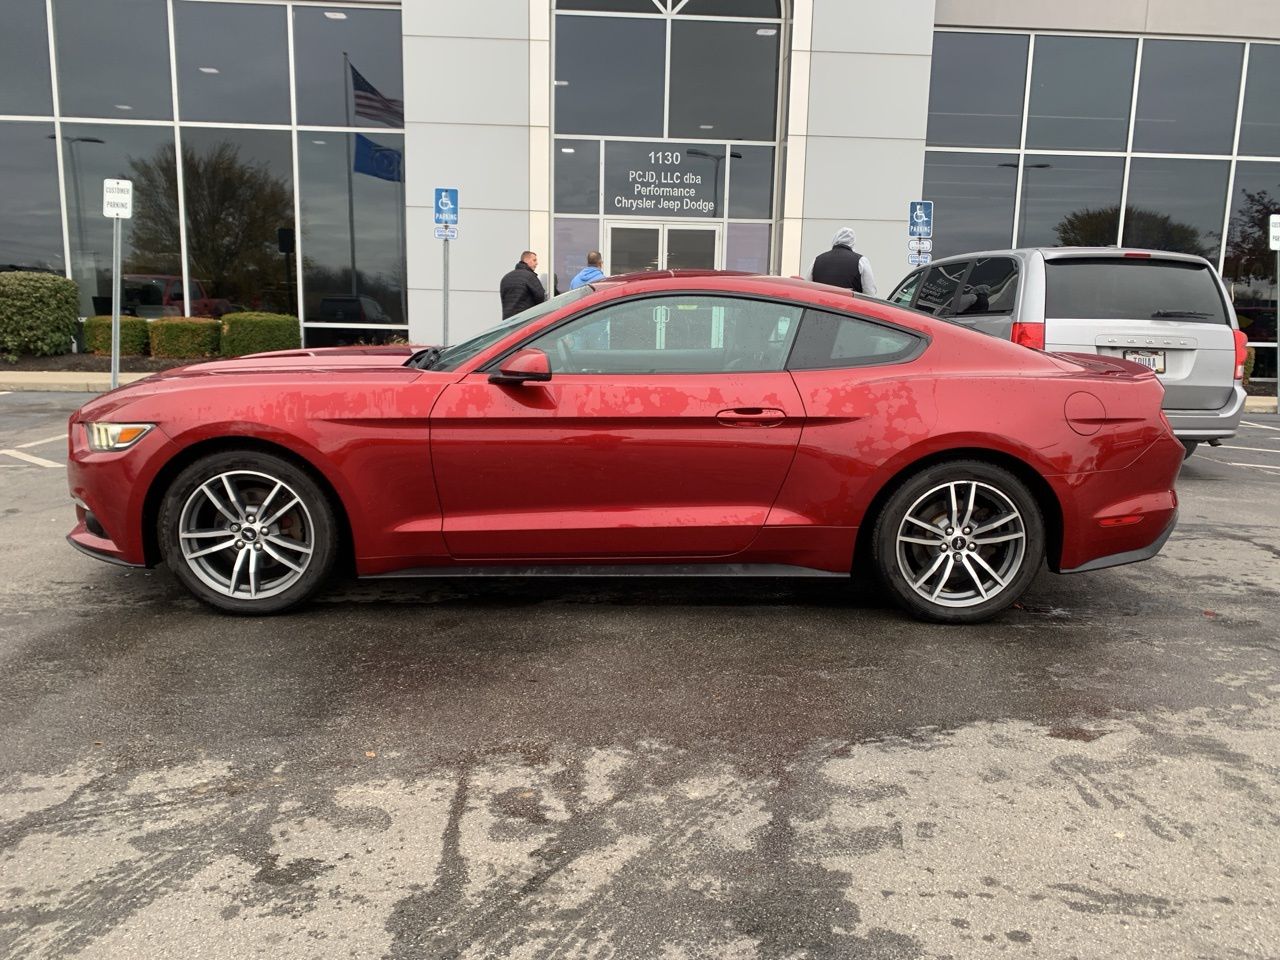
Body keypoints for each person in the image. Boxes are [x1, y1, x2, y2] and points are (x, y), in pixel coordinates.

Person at [806, 227, 876, 297]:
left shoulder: (817, 260)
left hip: (820, 305)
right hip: (848, 306)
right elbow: (870, 292)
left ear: (834, 239)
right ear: (853, 242)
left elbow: (807, 287)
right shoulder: (861, 261)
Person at [499, 250, 546, 320]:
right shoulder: (530, 276)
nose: (537, 263)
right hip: (525, 319)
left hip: (508, 321)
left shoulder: (506, 278)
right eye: (534, 260)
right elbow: (540, 296)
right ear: (526, 260)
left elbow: (504, 299)